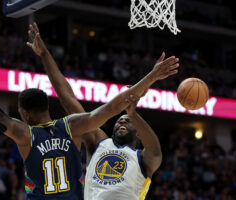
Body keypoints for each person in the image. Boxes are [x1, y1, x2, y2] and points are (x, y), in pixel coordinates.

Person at [27, 22, 179, 200]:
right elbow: (68, 99)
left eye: (127, 121)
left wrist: (133, 114)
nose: (122, 121)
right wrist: (45, 55)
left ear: (139, 133)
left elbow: (155, 151)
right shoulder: (98, 142)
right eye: (119, 120)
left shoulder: (144, 158)